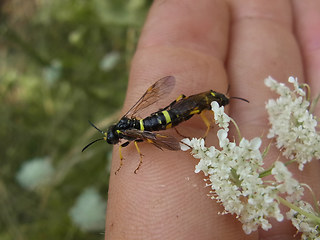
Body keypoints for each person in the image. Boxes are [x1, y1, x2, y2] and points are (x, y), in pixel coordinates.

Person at [105, 1, 320, 239]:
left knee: (168, 119)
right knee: (168, 117)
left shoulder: (131, 138)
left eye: (114, 138)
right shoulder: (130, 129)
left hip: (163, 120)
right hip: (161, 118)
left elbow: (138, 138)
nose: (117, 140)